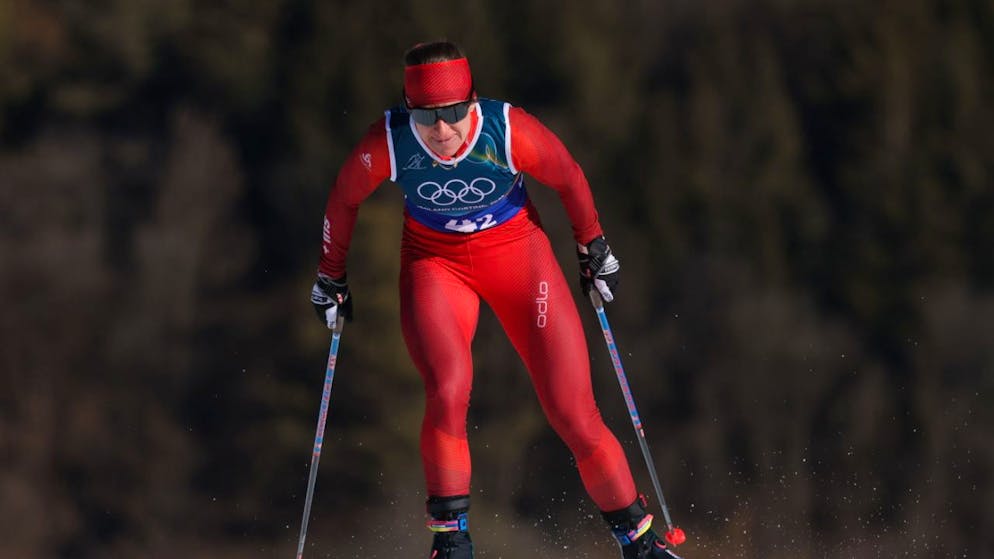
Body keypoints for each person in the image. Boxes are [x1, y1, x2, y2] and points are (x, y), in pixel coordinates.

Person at [310, 40, 682, 559]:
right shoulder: (390, 141)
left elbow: (569, 178)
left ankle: (640, 543)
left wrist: (593, 247)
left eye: (455, 113)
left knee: (574, 412)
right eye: (427, 117)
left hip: (519, 259)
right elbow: (344, 198)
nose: (443, 131)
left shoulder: (507, 131)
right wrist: (331, 277)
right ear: (407, 109)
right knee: (448, 387)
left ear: (474, 102)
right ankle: (451, 541)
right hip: (434, 263)